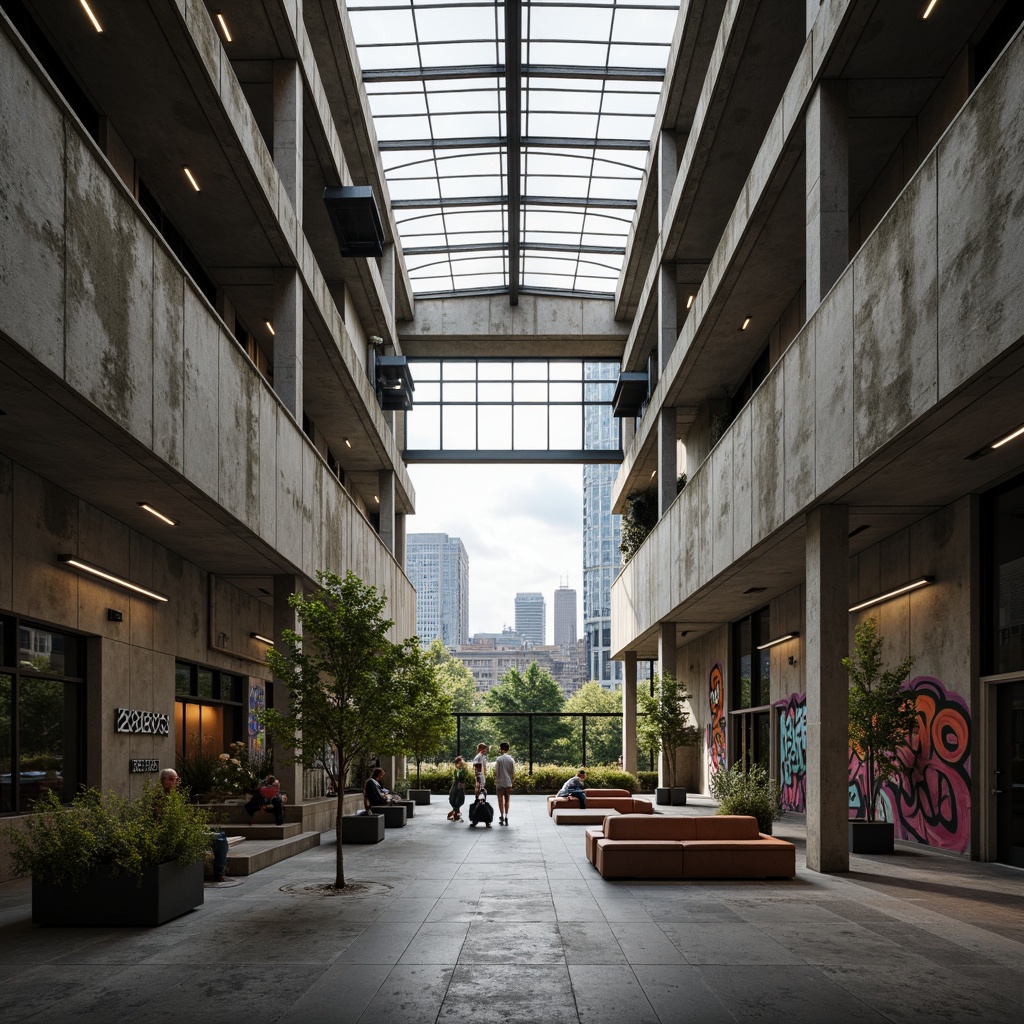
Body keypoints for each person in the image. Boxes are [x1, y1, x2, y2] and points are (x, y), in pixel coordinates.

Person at [159, 767, 228, 882]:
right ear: (164, 781)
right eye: (172, 779)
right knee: (220, 840)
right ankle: (218, 873)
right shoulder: (161, 798)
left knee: (221, 836)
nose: (175, 782)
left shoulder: (174, 797)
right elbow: (164, 821)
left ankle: (219, 872)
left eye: (177, 779)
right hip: (178, 835)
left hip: (185, 832)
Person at [493, 742, 515, 826]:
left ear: (501, 749)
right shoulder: (511, 760)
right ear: (508, 749)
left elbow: (497, 772)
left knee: (500, 799)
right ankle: (506, 816)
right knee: (507, 800)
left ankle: (501, 815)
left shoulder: (499, 759)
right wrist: (511, 782)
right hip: (508, 782)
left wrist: (496, 780)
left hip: (500, 782)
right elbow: (512, 773)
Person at [447, 756, 472, 822]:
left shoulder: (463, 769)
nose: (459, 763)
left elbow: (464, 777)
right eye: (458, 762)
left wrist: (462, 782)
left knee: (459, 798)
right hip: (456, 784)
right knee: (454, 798)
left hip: (460, 784)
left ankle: (455, 814)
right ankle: (456, 814)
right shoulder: (456, 770)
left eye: (460, 762)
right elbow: (456, 777)